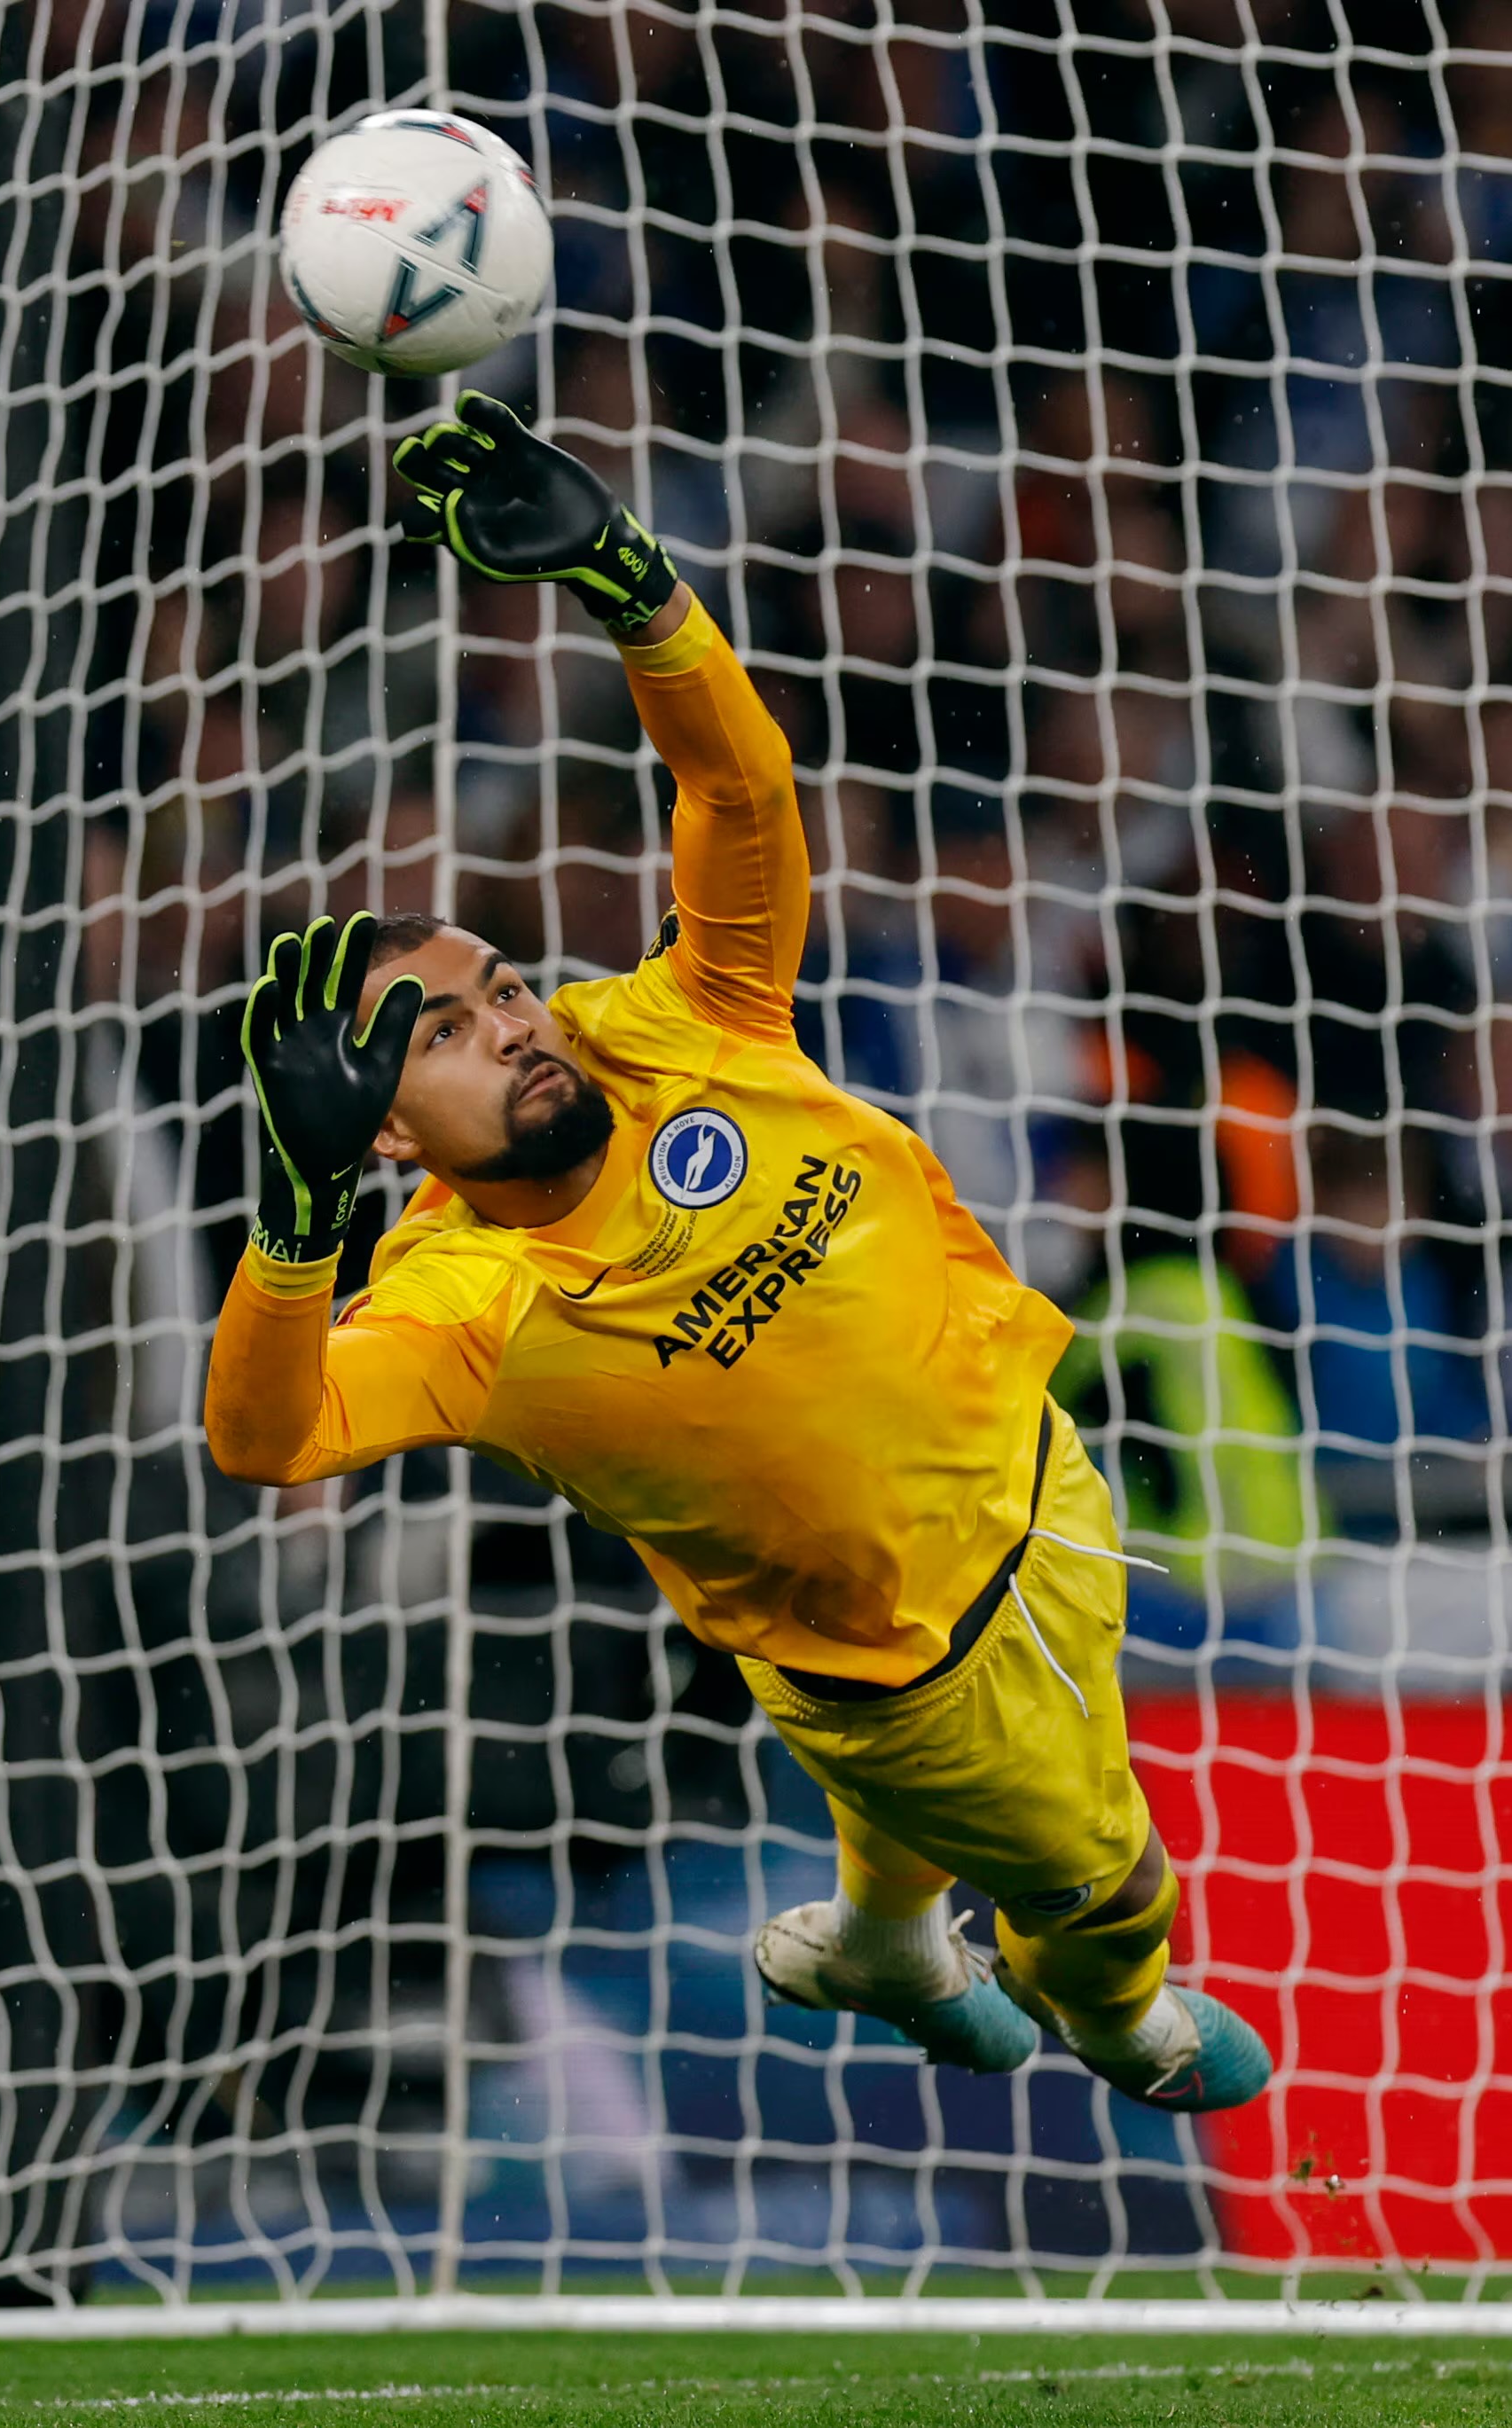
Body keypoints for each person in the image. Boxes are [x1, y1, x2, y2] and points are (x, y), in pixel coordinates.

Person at [202, 395, 1268, 2116]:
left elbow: (740, 786)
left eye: (501, 989)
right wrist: (291, 1213)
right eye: (446, 1038)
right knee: (1106, 1880)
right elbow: (265, 1437)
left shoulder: (675, 1020)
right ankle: (1119, 2016)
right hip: (920, 1666)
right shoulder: (462, 1304)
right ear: (385, 1134)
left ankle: (884, 1938)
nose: (513, 1024)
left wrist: (636, 591)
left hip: (1037, 1467)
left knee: (922, 1811)